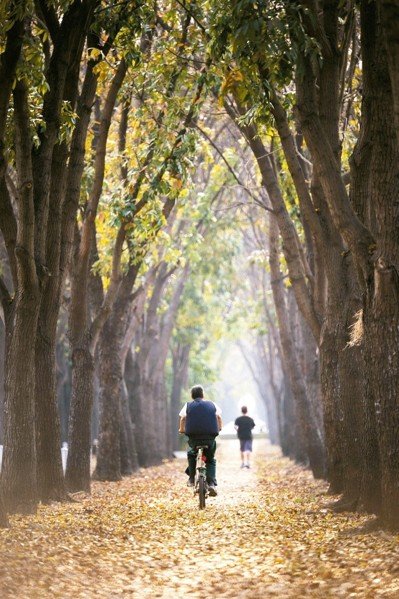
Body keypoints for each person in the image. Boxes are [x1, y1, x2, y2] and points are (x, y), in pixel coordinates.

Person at [178, 385, 222, 497]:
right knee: (210, 459)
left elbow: (183, 418)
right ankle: (211, 483)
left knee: (191, 453)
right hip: (209, 438)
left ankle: (192, 478)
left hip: (194, 438)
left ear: (192, 395)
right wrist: (219, 428)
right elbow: (219, 417)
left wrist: (181, 429)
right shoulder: (212, 404)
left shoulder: (188, 405)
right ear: (203, 394)